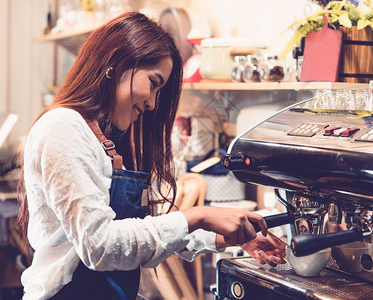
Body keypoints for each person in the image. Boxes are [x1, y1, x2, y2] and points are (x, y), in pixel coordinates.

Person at [17, 12, 286, 300]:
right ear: (116, 64)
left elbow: (139, 229)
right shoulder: (63, 126)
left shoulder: (103, 137)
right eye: (154, 82)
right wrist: (198, 215)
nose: (153, 102)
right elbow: (100, 246)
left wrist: (225, 236)